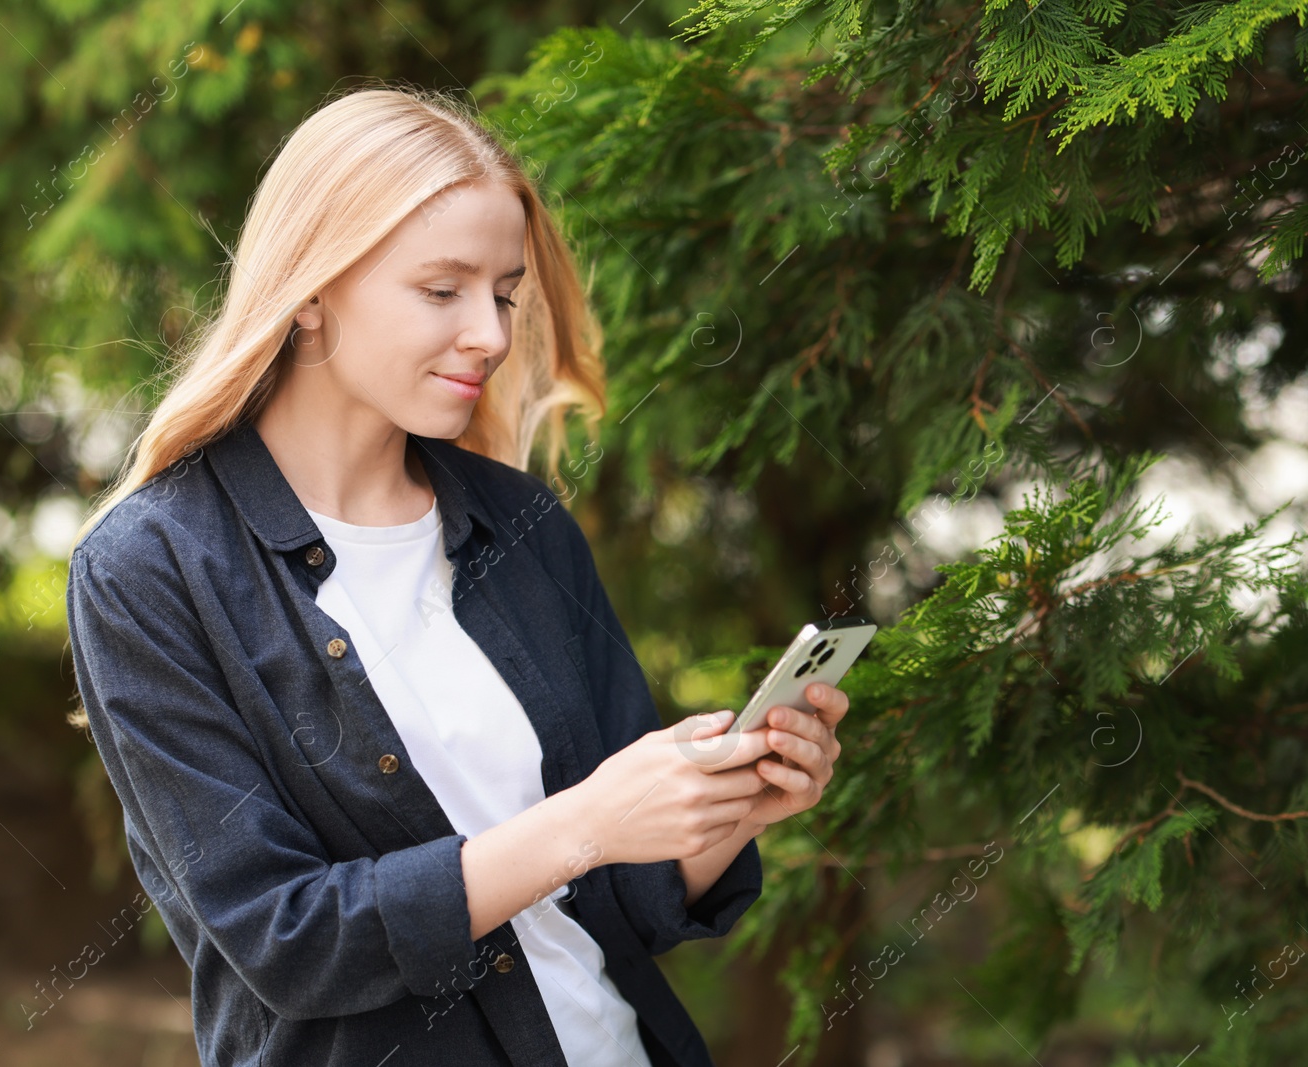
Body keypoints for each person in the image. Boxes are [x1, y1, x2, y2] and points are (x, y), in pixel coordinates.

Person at [65, 85, 848, 1067]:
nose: (489, 332)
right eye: (442, 290)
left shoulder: (521, 525)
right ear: (309, 290)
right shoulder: (149, 569)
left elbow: (619, 902)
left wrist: (722, 812)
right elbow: (285, 939)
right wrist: (586, 820)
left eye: (506, 293)